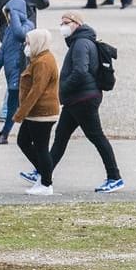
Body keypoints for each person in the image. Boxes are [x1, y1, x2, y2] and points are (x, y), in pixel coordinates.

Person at [26, 11, 123, 193]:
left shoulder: (81, 44)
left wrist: (61, 90)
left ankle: (114, 177)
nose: (62, 26)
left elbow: (80, 71)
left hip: (83, 99)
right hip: (77, 99)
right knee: (61, 138)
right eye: (61, 22)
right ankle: (43, 171)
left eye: (66, 22)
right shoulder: (81, 42)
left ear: (76, 24)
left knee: (96, 137)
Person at [13, 24, 60, 196]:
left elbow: (36, 90)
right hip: (35, 113)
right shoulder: (39, 59)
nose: (26, 47)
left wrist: (20, 113)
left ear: (38, 43)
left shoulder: (43, 62)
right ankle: (44, 174)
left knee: (40, 147)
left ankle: (46, 183)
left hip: (42, 113)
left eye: (28, 43)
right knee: (23, 141)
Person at [0, 0, 32, 144]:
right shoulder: (9, 29)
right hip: (10, 74)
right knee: (20, 106)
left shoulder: (28, 26)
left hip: (19, 72)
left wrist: (14, 14)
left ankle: (4, 134)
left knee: (13, 105)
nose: (7, 17)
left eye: (9, 14)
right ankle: (27, 133)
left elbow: (20, 35)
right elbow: (3, 51)